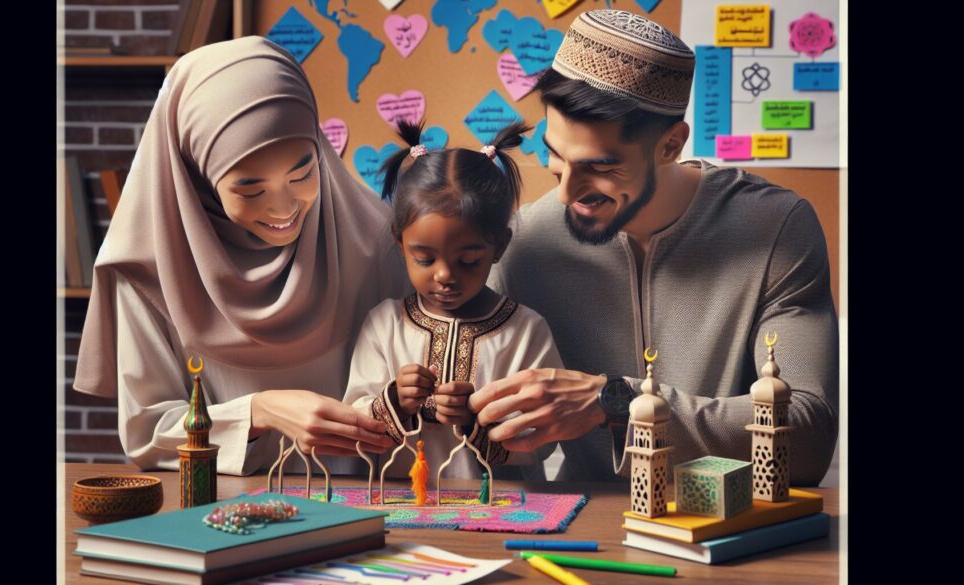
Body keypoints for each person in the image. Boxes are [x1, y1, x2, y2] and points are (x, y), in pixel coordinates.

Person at [469, 10, 838, 486]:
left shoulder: (776, 229)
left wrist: (617, 401)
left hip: (734, 534)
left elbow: (807, 436)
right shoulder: (523, 242)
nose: (565, 193)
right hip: (581, 530)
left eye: (600, 167)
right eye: (556, 154)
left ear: (671, 145)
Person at [72, 37, 411, 476]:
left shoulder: (378, 243)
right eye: (250, 190)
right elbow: (148, 434)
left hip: (367, 511)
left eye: (304, 172)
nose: (284, 208)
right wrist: (259, 412)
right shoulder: (146, 272)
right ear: (198, 174)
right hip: (223, 518)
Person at [343, 120, 563, 480]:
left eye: (468, 261)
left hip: (502, 514)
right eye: (425, 259)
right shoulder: (384, 325)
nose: (444, 275)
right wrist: (395, 400)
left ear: (499, 247)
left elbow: (541, 438)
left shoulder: (526, 331)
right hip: (401, 509)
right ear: (401, 246)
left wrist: (474, 416)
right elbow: (354, 426)